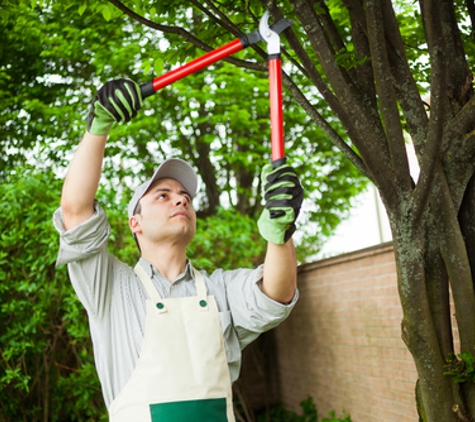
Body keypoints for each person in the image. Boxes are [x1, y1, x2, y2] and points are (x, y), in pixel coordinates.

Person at [53, 79, 303, 422]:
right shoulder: (109, 288)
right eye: (163, 195)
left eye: (185, 195)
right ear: (135, 223)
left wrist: (281, 231)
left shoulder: (221, 290)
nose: (181, 198)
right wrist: (99, 125)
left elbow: (277, 293)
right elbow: (76, 212)